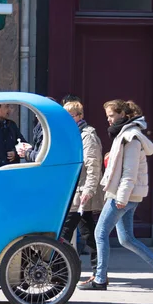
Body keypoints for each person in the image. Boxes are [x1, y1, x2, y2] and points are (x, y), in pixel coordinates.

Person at [78, 100, 153, 291]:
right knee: (126, 238)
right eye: (108, 117)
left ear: (123, 114)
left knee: (100, 232)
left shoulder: (130, 137)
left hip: (123, 195)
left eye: (112, 116)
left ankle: (100, 279)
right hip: (127, 194)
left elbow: (129, 174)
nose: (109, 120)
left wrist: (120, 198)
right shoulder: (124, 135)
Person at [59, 101, 104, 284]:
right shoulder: (72, 134)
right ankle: (99, 272)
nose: (67, 120)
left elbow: (93, 164)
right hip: (76, 189)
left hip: (82, 191)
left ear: (79, 116)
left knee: (65, 231)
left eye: (70, 117)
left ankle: (60, 271)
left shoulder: (87, 135)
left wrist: (89, 189)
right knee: (89, 233)